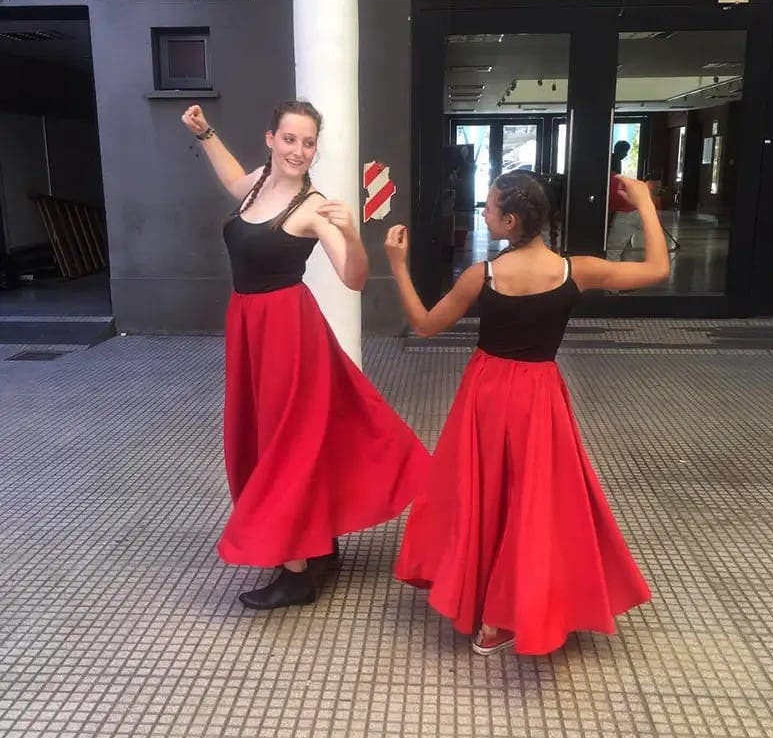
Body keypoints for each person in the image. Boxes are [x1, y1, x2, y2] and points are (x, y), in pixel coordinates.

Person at [385, 171, 669, 656]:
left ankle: (479, 594)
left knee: (482, 493)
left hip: (487, 393)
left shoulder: (483, 275)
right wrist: (644, 203)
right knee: (533, 501)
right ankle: (509, 614)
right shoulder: (576, 270)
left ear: (510, 220)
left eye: (489, 207)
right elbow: (657, 269)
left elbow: (424, 324)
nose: (484, 212)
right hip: (540, 395)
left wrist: (396, 266)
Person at [181, 101, 429, 611]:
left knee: (282, 443)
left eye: (308, 142)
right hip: (250, 325)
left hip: (287, 333)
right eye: (290, 139)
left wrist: (356, 236)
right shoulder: (254, 184)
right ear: (271, 139)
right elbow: (230, 177)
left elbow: (354, 278)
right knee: (276, 434)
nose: (299, 150)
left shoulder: (314, 206)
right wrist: (206, 134)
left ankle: (296, 572)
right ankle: (320, 543)